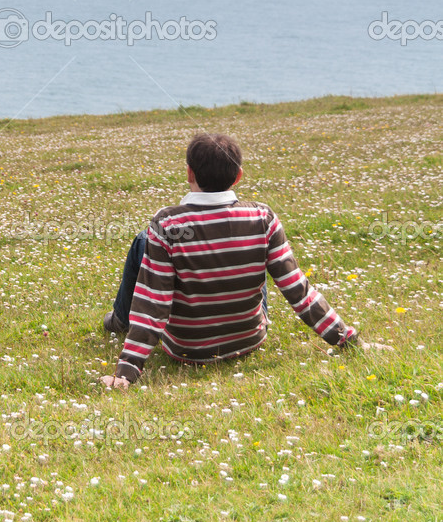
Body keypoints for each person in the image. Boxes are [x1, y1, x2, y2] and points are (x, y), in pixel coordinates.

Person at [101, 131, 388, 391]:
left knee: (143, 240)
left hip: (189, 349)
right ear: (238, 176)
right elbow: (298, 290)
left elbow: (155, 302)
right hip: (249, 340)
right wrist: (347, 339)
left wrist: (127, 371)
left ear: (189, 173)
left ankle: (119, 319)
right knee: (251, 249)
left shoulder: (167, 223)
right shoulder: (262, 218)